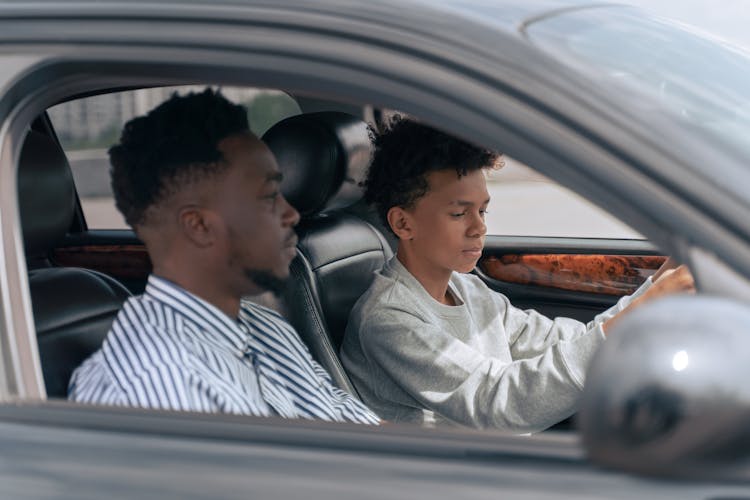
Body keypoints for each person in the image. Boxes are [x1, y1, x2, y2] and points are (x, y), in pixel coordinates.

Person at [340, 117, 693, 432]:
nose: (479, 227)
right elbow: (495, 402)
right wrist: (644, 309)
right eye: (459, 214)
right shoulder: (388, 320)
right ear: (403, 223)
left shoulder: (468, 289)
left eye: (483, 210)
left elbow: (566, 342)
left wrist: (656, 287)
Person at [69, 89, 379, 425]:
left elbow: (361, 429)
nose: (291, 214)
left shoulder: (265, 328)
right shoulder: (160, 385)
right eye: (268, 198)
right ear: (199, 226)